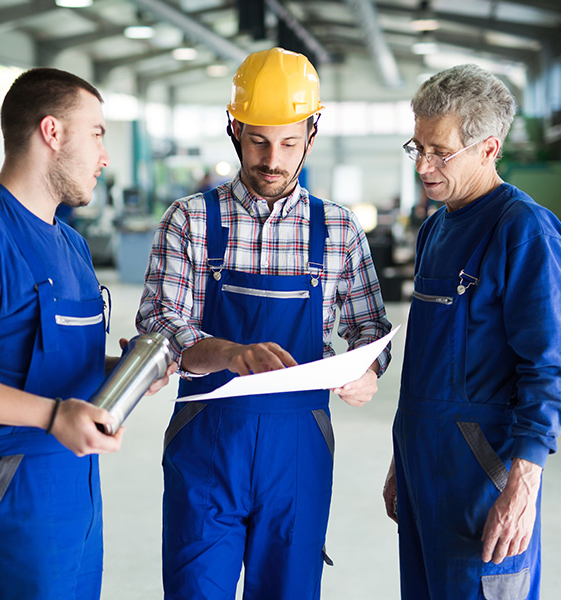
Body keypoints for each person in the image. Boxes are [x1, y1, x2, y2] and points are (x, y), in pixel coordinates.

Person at [0, 68, 171, 600]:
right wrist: (51, 415)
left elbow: (42, 362)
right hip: (0, 505)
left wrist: (128, 374)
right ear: (52, 132)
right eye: (97, 134)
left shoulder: (71, 245)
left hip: (74, 498)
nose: (105, 155)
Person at [136, 47, 392, 599]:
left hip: (296, 454)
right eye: (257, 140)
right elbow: (159, 325)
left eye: (289, 143)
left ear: (312, 134)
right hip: (206, 447)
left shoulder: (340, 230)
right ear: (234, 129)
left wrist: (367, 371)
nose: (272, 159)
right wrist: (229, 354)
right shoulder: (190, 220)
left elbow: (371, 331)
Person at [382, 64, 561, 599]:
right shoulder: (435, 227)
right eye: (416, 146)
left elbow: (552, 367)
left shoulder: (523, 231)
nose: (422, 165)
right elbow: (426, 367)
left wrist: (523, 484)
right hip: (425, 471)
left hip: (485, 481)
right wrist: (401, 460)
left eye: (439, 151)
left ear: (489, 149)